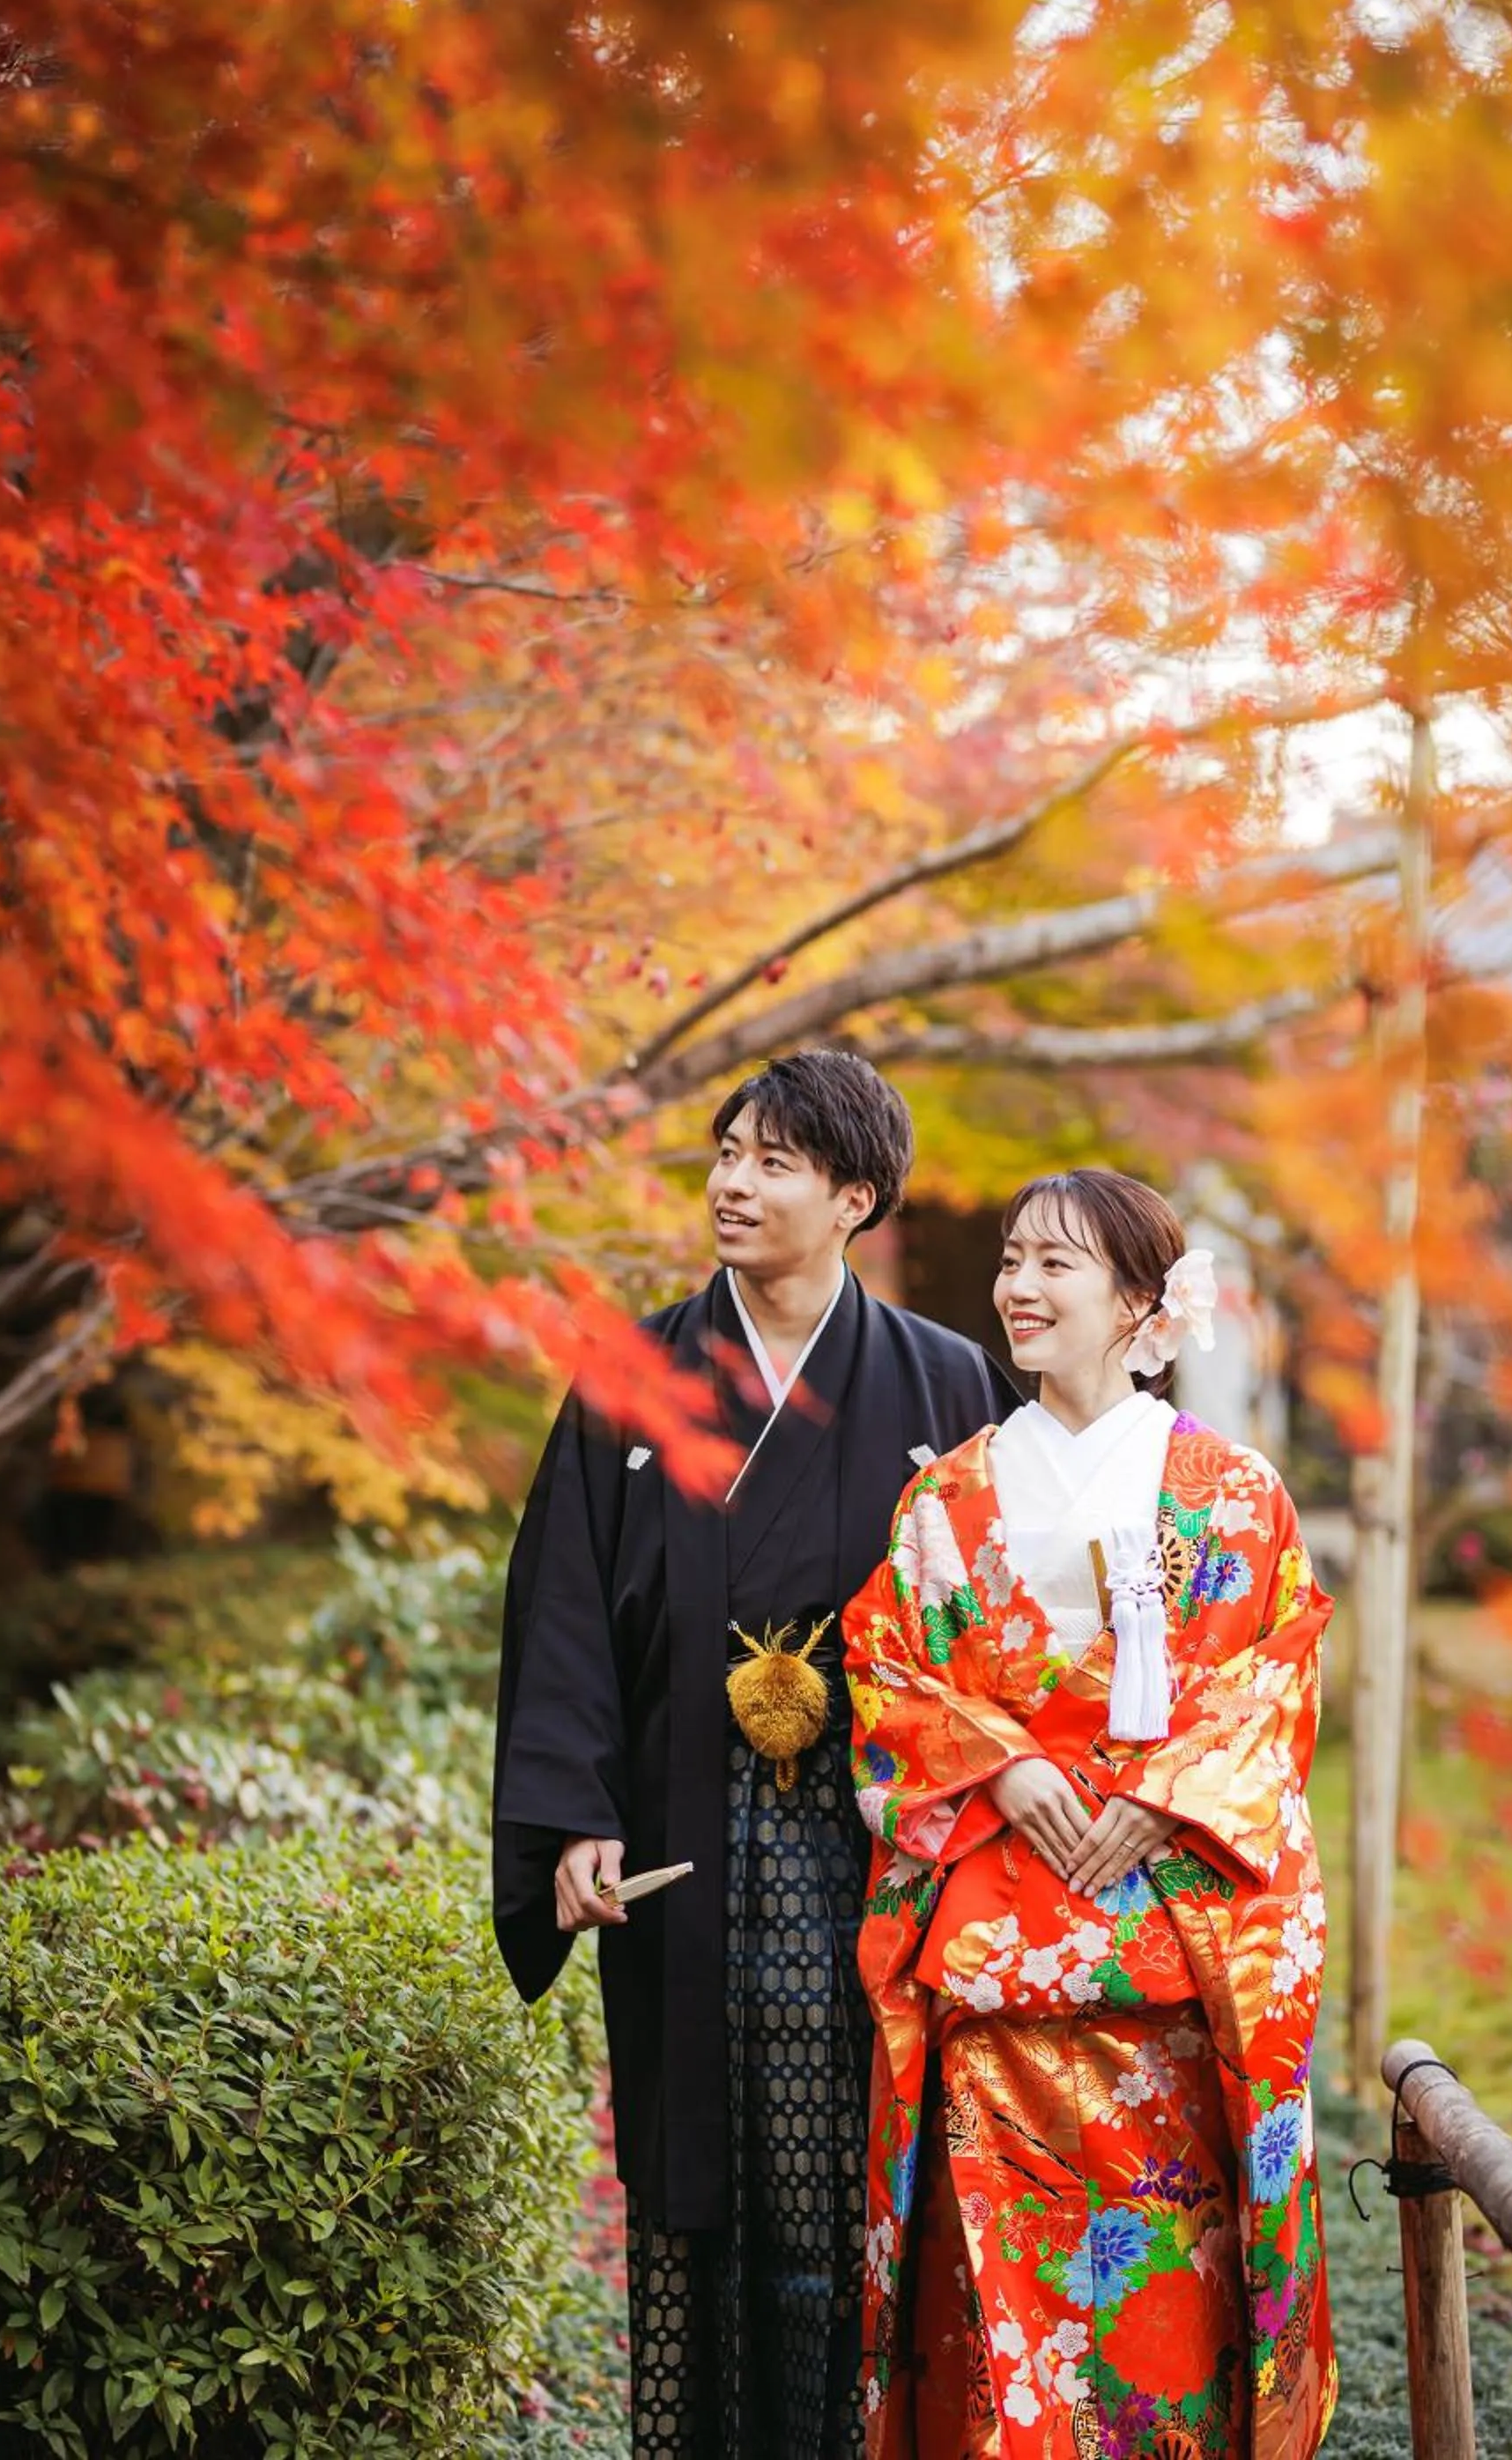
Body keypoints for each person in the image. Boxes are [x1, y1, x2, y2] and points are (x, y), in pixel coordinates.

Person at [492, 1049, 1018, 2460]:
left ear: (855, 1199)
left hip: (871, 1838)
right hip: (681, 1823)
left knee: (846, 2180)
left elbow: (1004, 1635)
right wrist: (574, 1815)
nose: (731, 1182)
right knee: (690, 2177)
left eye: (774, 1162)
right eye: (727, 1151)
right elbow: (561, 1609)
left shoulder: (946, 1381)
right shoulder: (634, 1376)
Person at [844, 1168, 1337, 2460]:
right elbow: (887, 1668)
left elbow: (1274, 1672)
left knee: (1167, 2318)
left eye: (1054, 1263)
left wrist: (1165, 1800)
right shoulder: (946, 1497)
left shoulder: (1233, 1492)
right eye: (1012, 1258)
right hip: (997, 1962)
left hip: (1167, 1975)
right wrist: (1002, 1767)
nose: (1017, 1285)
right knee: (997, 2330)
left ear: (1136, 1303)